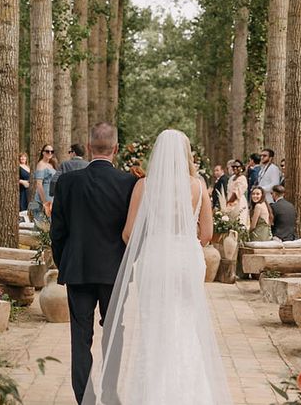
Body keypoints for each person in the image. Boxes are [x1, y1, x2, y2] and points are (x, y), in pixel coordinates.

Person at [66, 128, 233, 405]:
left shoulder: (145, 185)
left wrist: (153, 243)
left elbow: (128, 233)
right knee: (186, 323)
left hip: (155, 259)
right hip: (185, 259)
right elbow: (206, 234)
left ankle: (152, 394)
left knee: (154, 324)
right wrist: (183, 242)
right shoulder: (198, 186)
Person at [50, 122, 139, 405]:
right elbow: (132, 232)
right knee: (114, 335)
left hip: (77, 269)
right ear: (115, 149)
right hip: (114, 272)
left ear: (88, 147)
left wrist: (64, 261)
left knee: (80, 337)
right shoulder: (129, 183)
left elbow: (58, 231)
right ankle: (111, 394)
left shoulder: (68, 182)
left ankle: (85, 399)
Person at [30, 144, 56, 227]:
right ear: (43, 153)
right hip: (45, 195)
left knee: (51, 221)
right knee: (43, 222)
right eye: (47, 151)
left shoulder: (51, 164)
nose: (50, 153)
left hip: (52, 195)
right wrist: (44, 202)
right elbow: (39, 184)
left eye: (52, 151)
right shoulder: (41, 164)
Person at [226, 160, 249, 228]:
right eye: (233, 166)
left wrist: (229, 202)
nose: (235, 168)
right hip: (230, 200)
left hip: (238, 202)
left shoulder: (242, 178)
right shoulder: (231, 178)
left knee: (239, 221)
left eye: (237, 166)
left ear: (241, 167)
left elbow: (237, 193)